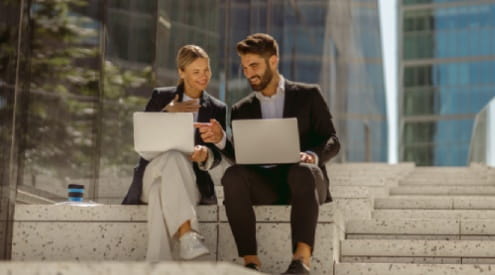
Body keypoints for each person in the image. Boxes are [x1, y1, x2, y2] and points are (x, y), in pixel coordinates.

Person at [197, 33, 340, 274]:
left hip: (306, 182)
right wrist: (222, 139)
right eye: (244, 67)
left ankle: (301, 262)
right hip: (266, 185)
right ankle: (251, 263)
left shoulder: (309, 95)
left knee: (302, 171)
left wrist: (311, 156)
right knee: (233, 175)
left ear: (273, 61)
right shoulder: (241, 108)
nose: (248, 73)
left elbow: (332, 140)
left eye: (254, 65)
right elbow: (242, 156)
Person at [122, 45, 227, 262]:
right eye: (196, 72)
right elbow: (143, 138)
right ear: (181, 72)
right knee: (171, 157)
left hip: (191, 182)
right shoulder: (161, 97)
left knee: (160, 191)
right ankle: (187, 235)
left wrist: (205, 153)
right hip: (152, 174)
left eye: (206, 70)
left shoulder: (217, 108)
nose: (203, 77)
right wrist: (167, 111)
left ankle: (159, 264)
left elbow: (217, 154)